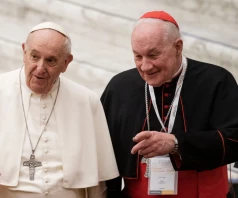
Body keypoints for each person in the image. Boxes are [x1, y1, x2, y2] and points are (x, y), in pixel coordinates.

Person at [0, 22, 119, 198]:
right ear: (24, 52)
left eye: (51, 60)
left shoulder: (86, 101)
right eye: (35, 56)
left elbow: (98, 180)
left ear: (66, 63)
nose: (40, 68)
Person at [101, 11, 238, 198]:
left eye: (153, 55)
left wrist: (176, 143)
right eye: (138, 56)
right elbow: (103, 151)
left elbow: (235, 139)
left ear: (178, 47)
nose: (145, 66)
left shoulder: (216, 81)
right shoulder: (119, 87)